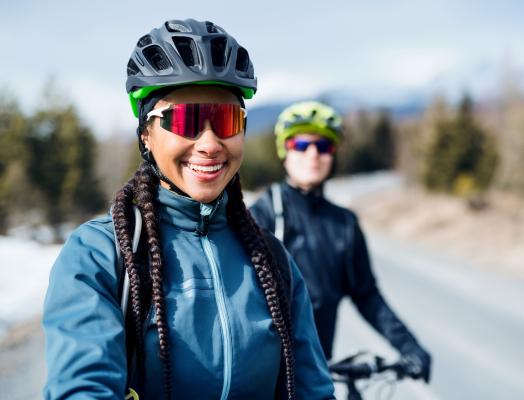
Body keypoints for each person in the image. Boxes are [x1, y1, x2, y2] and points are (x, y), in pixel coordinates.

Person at [42, 20, 335, 400]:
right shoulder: (101, 254)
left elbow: (313, 391)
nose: (211, 143)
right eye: (186, 120)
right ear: (146, 133)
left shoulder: (272, 260)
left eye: (227, 121)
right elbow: (83, 389)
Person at [250, 101, 432, 382]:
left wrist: (409, 345)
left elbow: (367, 296)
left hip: (318, 377)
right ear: (284, 151)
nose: (313, 154)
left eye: (324, 146)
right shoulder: (261, 215)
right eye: (301, 144)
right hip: (266, 378)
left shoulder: (345, 225)